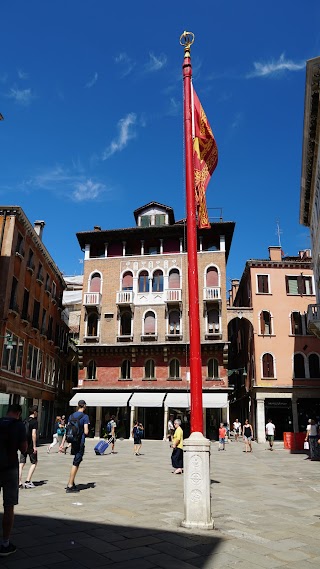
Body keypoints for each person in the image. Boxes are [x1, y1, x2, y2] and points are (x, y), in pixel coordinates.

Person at [0, 404, 27, 557]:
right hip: (10, 468)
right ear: (18, 413)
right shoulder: (19, 426)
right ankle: (5, 543)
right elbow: (23, 448)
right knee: (9, 506)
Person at [60, 400, 89, 493]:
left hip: (72, 442)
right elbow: (86, 431)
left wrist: (62, 444)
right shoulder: (85, 417)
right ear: (84, 406)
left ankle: (72, 482)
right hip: (79, 442)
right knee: (76, 463)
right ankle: (70, 485)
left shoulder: (71, 416)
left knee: (76, 462)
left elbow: (67, 430)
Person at [19, 405, 38, 488]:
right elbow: (33, 434)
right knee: (34, 462)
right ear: (34, 412)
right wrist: (34, 446)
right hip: (30, 445)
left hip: (22, 444)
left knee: (21, 463)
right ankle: (28, 481)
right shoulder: (34, 422)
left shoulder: (24, 420)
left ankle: (19, 482)